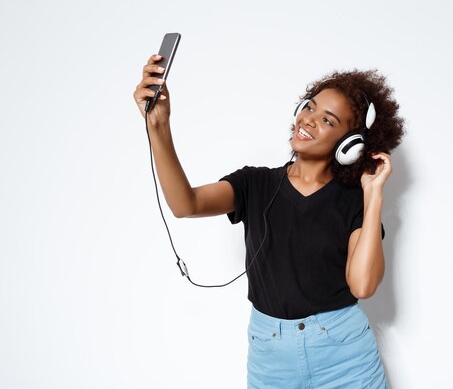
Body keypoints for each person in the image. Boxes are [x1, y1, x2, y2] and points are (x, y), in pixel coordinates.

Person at [133, 54, 406, 388]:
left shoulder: (355, 201)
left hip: (344, 355)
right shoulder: (255, 184)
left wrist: (374, 193)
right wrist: (159, 126)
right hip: (271, 357)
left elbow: (362, 285)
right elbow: (185, 204)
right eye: (310, 107)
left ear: (350, 146)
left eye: (328, 120)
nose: (309, 120)